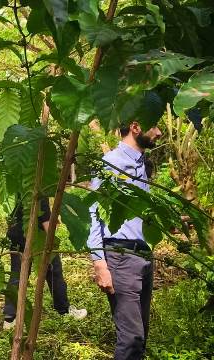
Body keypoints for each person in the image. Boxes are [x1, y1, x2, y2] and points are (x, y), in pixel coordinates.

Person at [87, 121, 162, 360]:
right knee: (131, 338)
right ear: (136, 127)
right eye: (155, 126)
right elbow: (93, 213)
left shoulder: (142, 164)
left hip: (143, 254)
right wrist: (99, 263)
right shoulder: (111, 163)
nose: (159, 132)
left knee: (141, 335)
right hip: (121, 256)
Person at [3, 198, 87, 329]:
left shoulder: (25, 184)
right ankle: (64, 310)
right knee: (54, 271)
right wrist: (52, 242)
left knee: (17, 274)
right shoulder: (41, 187)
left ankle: (10, 317)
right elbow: (45, 219)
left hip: (17, 233)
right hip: (36, 237)